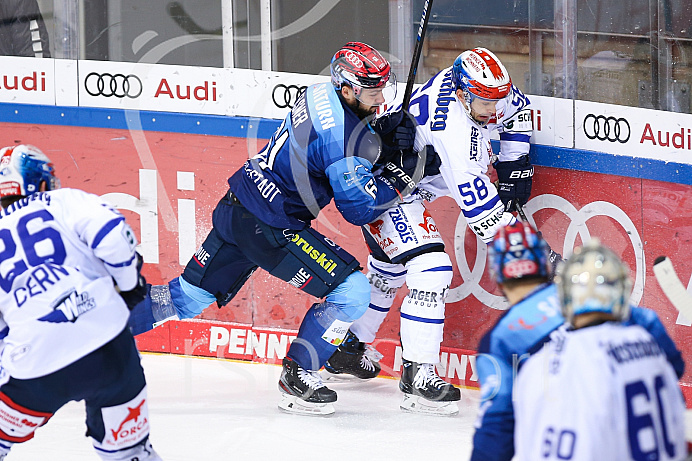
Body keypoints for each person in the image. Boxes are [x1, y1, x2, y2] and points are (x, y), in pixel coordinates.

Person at [128, 42, 426, 416]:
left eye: (382, 87)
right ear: (347, 88)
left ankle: (99, 331)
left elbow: (336, 138)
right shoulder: (346, 142)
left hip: (236, 207)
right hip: (272, 225)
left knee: (186, 297)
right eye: (372, 90)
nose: (380, 97)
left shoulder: (318, 92)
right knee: (353, 291)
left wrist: (377, 134)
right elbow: (358, 208)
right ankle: (299, 374)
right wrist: (400, 175)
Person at [323, 47, 538, 415]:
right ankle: (418, 375)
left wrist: (514, 161)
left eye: (496, 99)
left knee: (389, 270)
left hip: (408, 184)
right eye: (485, 102)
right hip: (384, 190)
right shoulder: (457, 141)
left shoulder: (476, 90)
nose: (494, 110)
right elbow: (486, 221)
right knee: (433, 268)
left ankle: (347, 347)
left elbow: (519, 110)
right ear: (461, 94)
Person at [0, 145, 162, 460]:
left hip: (35, 366)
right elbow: (112, 236)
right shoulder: (64, 201)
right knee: (130, 453)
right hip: (109, 348)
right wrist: (130, 287)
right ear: (41, 182)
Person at [471, 223, 685, 461]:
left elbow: (497, 426)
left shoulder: (500, 339)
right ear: (545, 264)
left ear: (496, 274)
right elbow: (671, 364)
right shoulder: (593, 298)